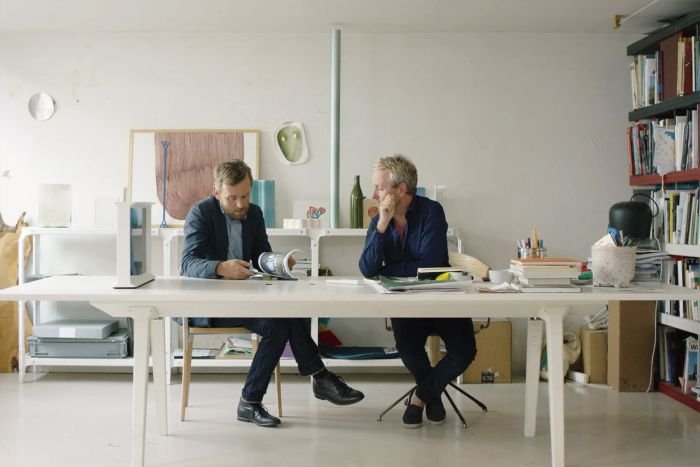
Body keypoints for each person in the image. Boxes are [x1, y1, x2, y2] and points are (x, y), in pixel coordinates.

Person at [181, 159, 364, 428]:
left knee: (285, 317)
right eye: (233, 198)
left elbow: (260, 255)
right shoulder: (200, 213)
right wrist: (221, 267)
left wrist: (278, 262)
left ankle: (250, 403)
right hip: (211, 305)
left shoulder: (253, 213)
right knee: (281, 323)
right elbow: (187, 263)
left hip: (247, 301)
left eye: (245, 196)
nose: (241, 204)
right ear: (217, 192)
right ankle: (319, 377)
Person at [358, 154, 476, 429]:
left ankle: (420, 396)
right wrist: (383, 224)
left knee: (465, 350)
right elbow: (367, 268)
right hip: (405, 302)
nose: (374, 194)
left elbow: (431, 265)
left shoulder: (431, 211)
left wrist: (390, 269)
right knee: (408, 348)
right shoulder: (379, 220)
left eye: (380, 187)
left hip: (442, 297)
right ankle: (433, 398)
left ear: (401, 189)